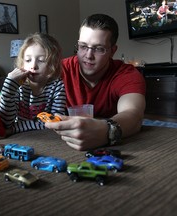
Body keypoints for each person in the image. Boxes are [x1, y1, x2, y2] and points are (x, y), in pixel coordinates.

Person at [44, 14, 146, 151]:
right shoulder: (60, 69)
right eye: (83, 46)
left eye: (99, 49)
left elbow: (134, 115)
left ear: (112, 51)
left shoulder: (126, 74)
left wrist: (106, 131)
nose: (88, 55)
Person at [0, 32, 67, 135]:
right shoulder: (17, 86)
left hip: (46, 137)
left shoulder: (57, 87)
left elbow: (55, 124)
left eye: (41, 60)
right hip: (19, 137)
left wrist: (14, 129)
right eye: (28, 60)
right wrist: (8, 88)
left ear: (53, 64)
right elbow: (6, 123)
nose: (33, 66)